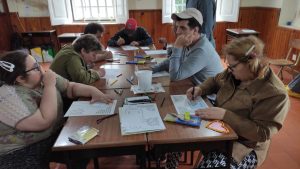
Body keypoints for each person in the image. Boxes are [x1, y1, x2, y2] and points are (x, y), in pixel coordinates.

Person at [181, 36, 289, 169]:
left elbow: (262, 133)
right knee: (177, 134)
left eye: (232, 66)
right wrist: (200, 89)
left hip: (244, 146)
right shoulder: (234, 73)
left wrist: (225, 115)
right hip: (218, 130)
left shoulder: (274, 93)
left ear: (250, 63)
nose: (229, 69)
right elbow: (215, 80)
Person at [0, 50, 113, 169]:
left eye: (38, 64)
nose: (41, 69)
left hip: (51, 135)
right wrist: (50, 85)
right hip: (18, 150)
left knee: (82, 150)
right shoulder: (8, 96)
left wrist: (93, 91)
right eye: (35, 68)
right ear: (20, 79)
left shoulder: (41, 78)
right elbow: (44, 121)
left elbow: (70, 87)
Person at [151, 8, 223, 85]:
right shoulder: (190, 41)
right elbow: (170, 61)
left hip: (208, 96)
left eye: (183, 28)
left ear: (195, 30)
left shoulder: (202, 50)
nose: (177, 31)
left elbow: (175, 76)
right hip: (194, 87)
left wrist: (177, 47)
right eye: (177, 27)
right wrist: (153, 69)